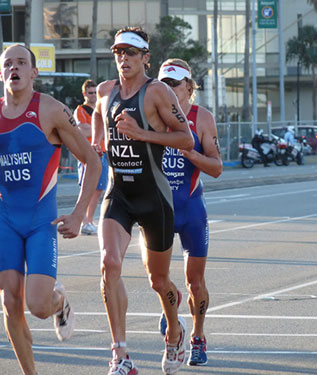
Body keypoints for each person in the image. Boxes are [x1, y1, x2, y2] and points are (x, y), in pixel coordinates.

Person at [92, 27, 194, 375]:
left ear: (145, 57)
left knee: (159, 282)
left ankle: (175, 332)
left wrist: (142, 134)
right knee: (109, 264)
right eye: (118, 51)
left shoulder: (158, 92)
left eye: (131, 52)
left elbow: (187, 139)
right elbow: (99, 127)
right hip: (118, 193)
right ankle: (120, 355)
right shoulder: (106, 93)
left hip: (153, 196)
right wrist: (93, 141)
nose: (123, 58)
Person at [0, 44, 100, 375]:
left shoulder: (51, 111)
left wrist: (77, 213)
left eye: (21, 63)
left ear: (33, 72)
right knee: (10, 302)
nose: (13, 69)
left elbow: (93, 160)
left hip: (41, 222)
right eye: (7, 64)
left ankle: (59, 300)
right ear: (1, 73)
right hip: (5, 222)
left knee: (38, 306)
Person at [157, 58, 223, 366]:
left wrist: (191, 153)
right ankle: (172, 311)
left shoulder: (202, 118)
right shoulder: (151, 114)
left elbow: (217, 168)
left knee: (195, 281)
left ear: (188, 87)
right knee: (158, 280)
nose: (168, 89)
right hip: (157, 209)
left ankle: (197, 336)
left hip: (191, 209)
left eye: (174, 84)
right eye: (163, 83)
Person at [74, 79, 108, 235]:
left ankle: (89, 220)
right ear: (84, 93)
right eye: (90, 93)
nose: (93, 95)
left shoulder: (102, 108)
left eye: (95, 92)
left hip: (103, 152)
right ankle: (85, 221)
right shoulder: (81, 110)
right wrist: (100, 131)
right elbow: (83, 130)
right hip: (88, 154)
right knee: (89, 189)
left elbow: (92, 129)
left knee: (99, 189)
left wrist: (95, 130)